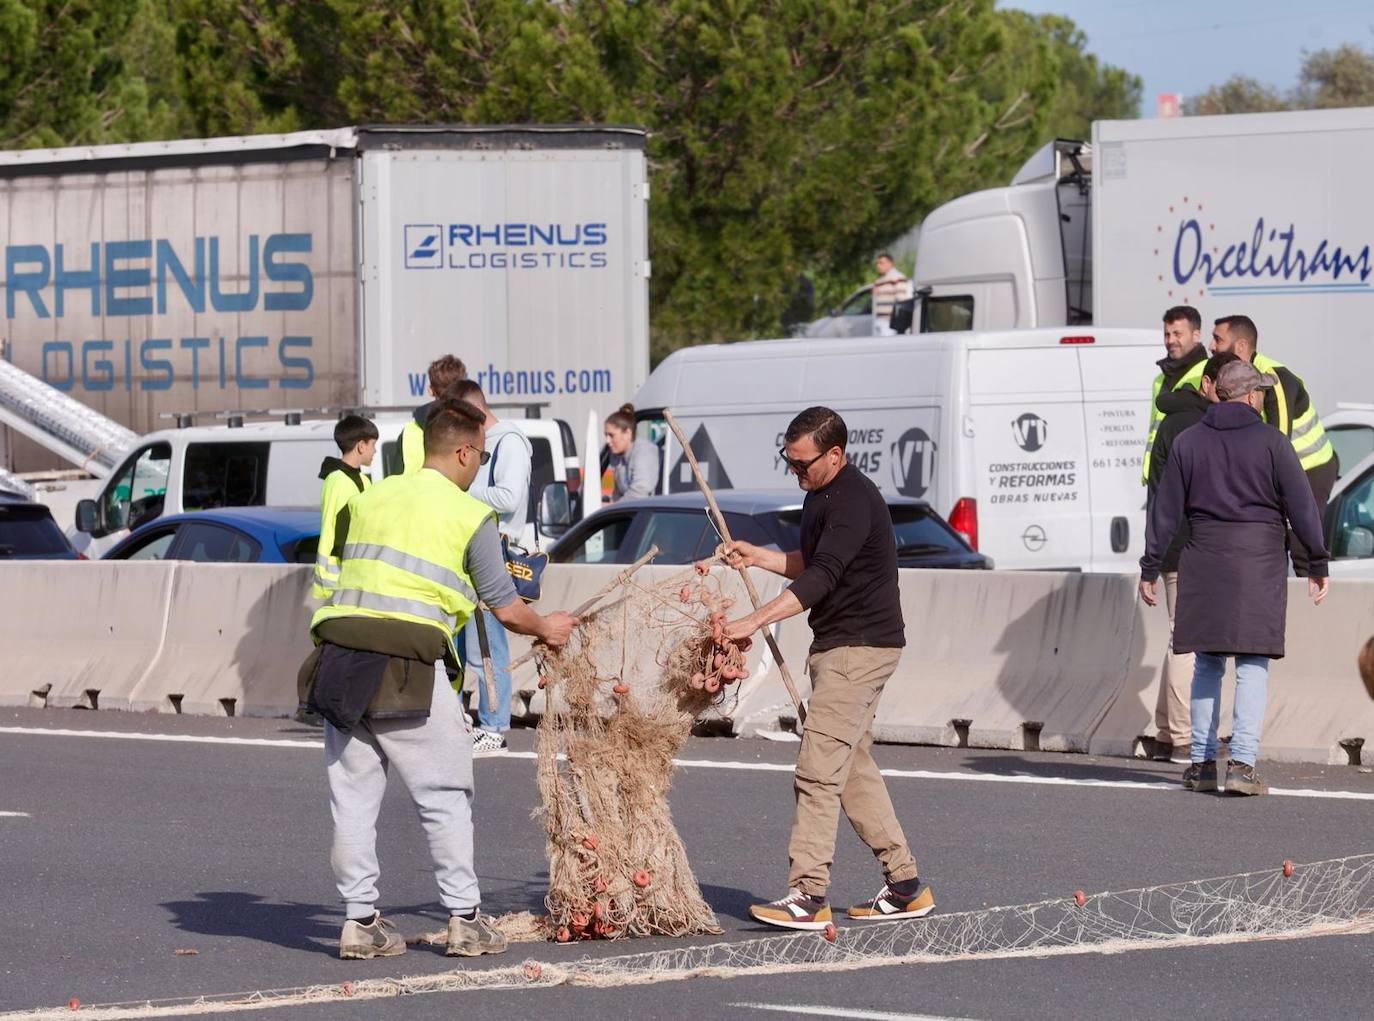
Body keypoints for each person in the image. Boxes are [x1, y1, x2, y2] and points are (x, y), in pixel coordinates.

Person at [301, 399, 577, 959]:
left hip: (338, 663)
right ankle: (465, 919)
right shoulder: (467, 514)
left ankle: (360, 924)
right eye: (480, 454)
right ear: (463, 451)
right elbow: (505, 606)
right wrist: (549, 627)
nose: (479, 465)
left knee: (352, 803)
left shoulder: (371, 495)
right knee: (445, 797)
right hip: (407, 669)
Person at [721, 406, 931, 930]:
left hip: (860, 650)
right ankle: (905, 885)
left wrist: (754, 620)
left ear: (834, 454)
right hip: (840, 647)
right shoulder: (820, 495)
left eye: (803, 464)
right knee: (850, 766)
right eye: (789, 463)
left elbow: (823, 579)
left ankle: (807, 894)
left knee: (817, 770)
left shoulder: (855, 500)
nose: (796, 473)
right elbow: (811, 563)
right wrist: (758, 556)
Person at [1140, 360, 1330, 797]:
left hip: (1203, 558)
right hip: (1258, 562)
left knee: (1207, 662)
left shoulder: (1189, 443)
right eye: (1260, 391)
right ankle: (1242, 765)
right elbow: (1301, 506)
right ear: (1249, 396)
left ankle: (1203, 763)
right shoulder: (1272, 443)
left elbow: (1164, 510)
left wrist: (1150, 566)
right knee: (1252, 664)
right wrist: (1315, 563)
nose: (1262, 397)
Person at [1143, 351, 1240, 764]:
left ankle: (1167, 730)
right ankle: (1184, 736)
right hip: (1189, 544)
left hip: (1169, 542)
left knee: (1176, 633)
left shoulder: (1172, 419)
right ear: (1211, 385)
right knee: (1187, 638)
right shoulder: (1199, 426)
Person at [1209, 315, 1339, 577]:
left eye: (1218, 339)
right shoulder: (1235, 381)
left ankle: (1312, 608)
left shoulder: (1273, 379)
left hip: (1310, 467)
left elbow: (1278, 442)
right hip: (1280, 467)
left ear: (1242, 347)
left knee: (1301, 544)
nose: (1211, 346)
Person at [447, 380, 532, 756]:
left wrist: (458, 488)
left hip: (496, 551)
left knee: (490, 645)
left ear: (477, 415)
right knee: (470, 645)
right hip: (471, 549)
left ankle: (494, 727)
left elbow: (509, 498)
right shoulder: (486, 442)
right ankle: (475, 720)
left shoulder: (508, 443)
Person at [311, 415, 378, 601]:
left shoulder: (362, 480)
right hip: (339, 578)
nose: (375, 451)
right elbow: (342, 531)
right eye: (373, 445)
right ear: (361, 446)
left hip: (352, 577)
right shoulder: (338, 480)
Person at [1141, 305, 1207, 485]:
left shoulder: (1207, 375)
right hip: (1158, 474)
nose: (1170, 340)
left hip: (1189, 475)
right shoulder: (1159, 380)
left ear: (1196, 335)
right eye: (1167, 334)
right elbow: (1154, 430)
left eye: (1177, 334)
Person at [398, 355, 467, 474]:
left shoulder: (410, 432)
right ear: (464, 388)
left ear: (430, 390)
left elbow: (396, 479)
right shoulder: (475, 427)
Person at [604, 404, 658, 502]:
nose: (607, 441)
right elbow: (618, 491)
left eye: (611, 435)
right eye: (606, 435)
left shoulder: (644, 451)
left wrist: (613, 508)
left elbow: (640, 492)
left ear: (628, 433)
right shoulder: (616, 453)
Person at [871, 253, 911, 334]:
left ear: (890, 263)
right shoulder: (879, 281)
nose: (878, 266)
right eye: (877, 263)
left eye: (881, 263)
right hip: (879, 320)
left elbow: (902, 301)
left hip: (890, 322)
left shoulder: (898, 278)